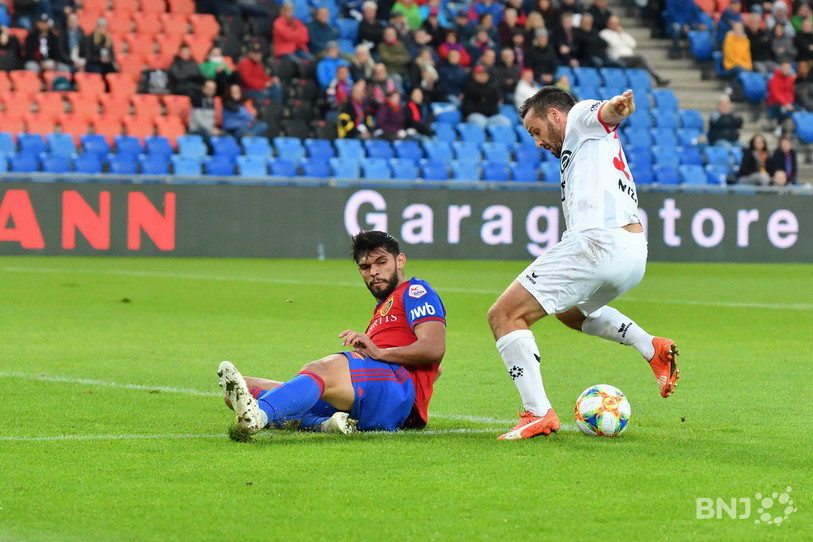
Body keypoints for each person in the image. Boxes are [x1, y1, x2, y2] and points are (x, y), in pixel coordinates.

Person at [487, 87, 679, 440]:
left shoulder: (577, 118)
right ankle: (651, 347)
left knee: (504, 315)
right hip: (633, 253)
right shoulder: (584, 147)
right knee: (568, 312)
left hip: (596, 243)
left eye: (536, 131)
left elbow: (602, 113)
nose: (538, 142)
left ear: (554, 115)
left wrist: (616, 108)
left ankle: (537, 413)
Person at [218, 231, 446, 436]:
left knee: (318, 370)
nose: (374, 272)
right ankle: (325, 425)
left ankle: (260, 416)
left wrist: (380, 353)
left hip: (394, 388)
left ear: (400, 261)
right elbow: (435, 369)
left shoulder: (415, 291)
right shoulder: (384, 308)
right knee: (239, 392)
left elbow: (434, 348)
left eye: (382, 262)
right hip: (380, 389)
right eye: (365, 267)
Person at [600, 15, 669, 86]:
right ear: (608, 24)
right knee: (640, 58)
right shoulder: (605, 33)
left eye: (616, 23)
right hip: (618, 58)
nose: (615, 25)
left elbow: (633, 43)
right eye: (613, 23)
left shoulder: (622, 34)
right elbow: (614, 44)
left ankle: (643, 84)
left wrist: (621, 34)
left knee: (640, 65)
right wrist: (621, 38)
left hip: (630, 58)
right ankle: (656, 78)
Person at [188, 79, 221, 145]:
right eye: (209, 88)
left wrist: (213, 128)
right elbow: (199, 119)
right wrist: (210, 129)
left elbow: (211, 118)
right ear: (203, 88)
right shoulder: (198, 99)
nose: (211, 90)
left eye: (213, 89)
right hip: (197, 129)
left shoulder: (212, 101)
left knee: (226, 136)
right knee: (211, 138)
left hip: (209, 129)